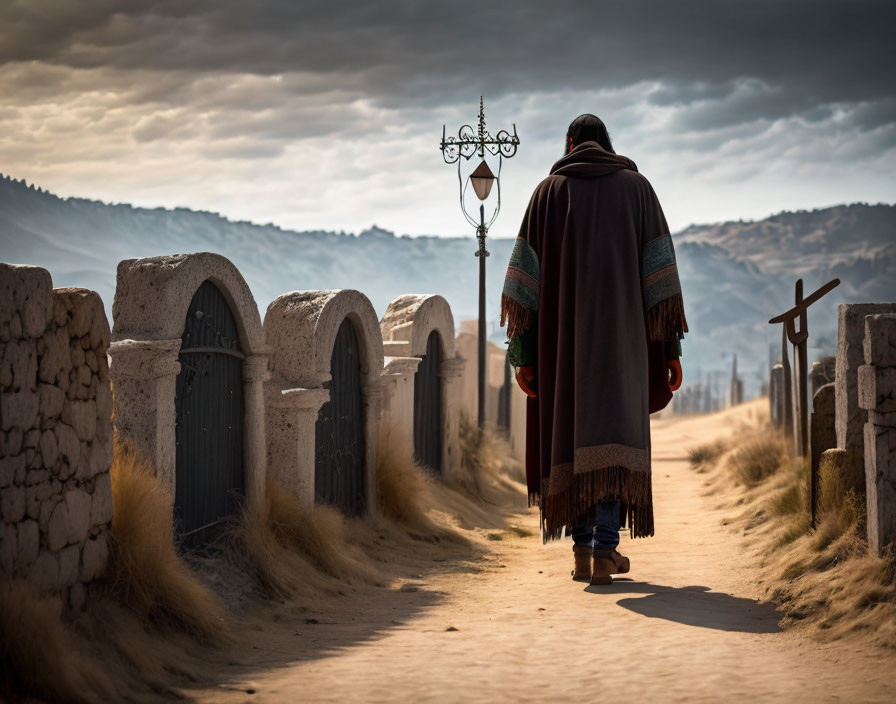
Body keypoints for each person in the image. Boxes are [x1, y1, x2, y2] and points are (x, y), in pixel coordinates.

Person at [500, 114, 687, 585]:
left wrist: (523, 355)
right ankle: (606, 550)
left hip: (564, 354)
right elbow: (660, 286)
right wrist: (669, 351)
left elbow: (523, 288)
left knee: (572, 436)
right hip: (623, 348)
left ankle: (582, 551)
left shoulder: (547, 194)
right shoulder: (638, 190)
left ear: (569, 144)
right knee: (613, 439)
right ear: (608, 143)